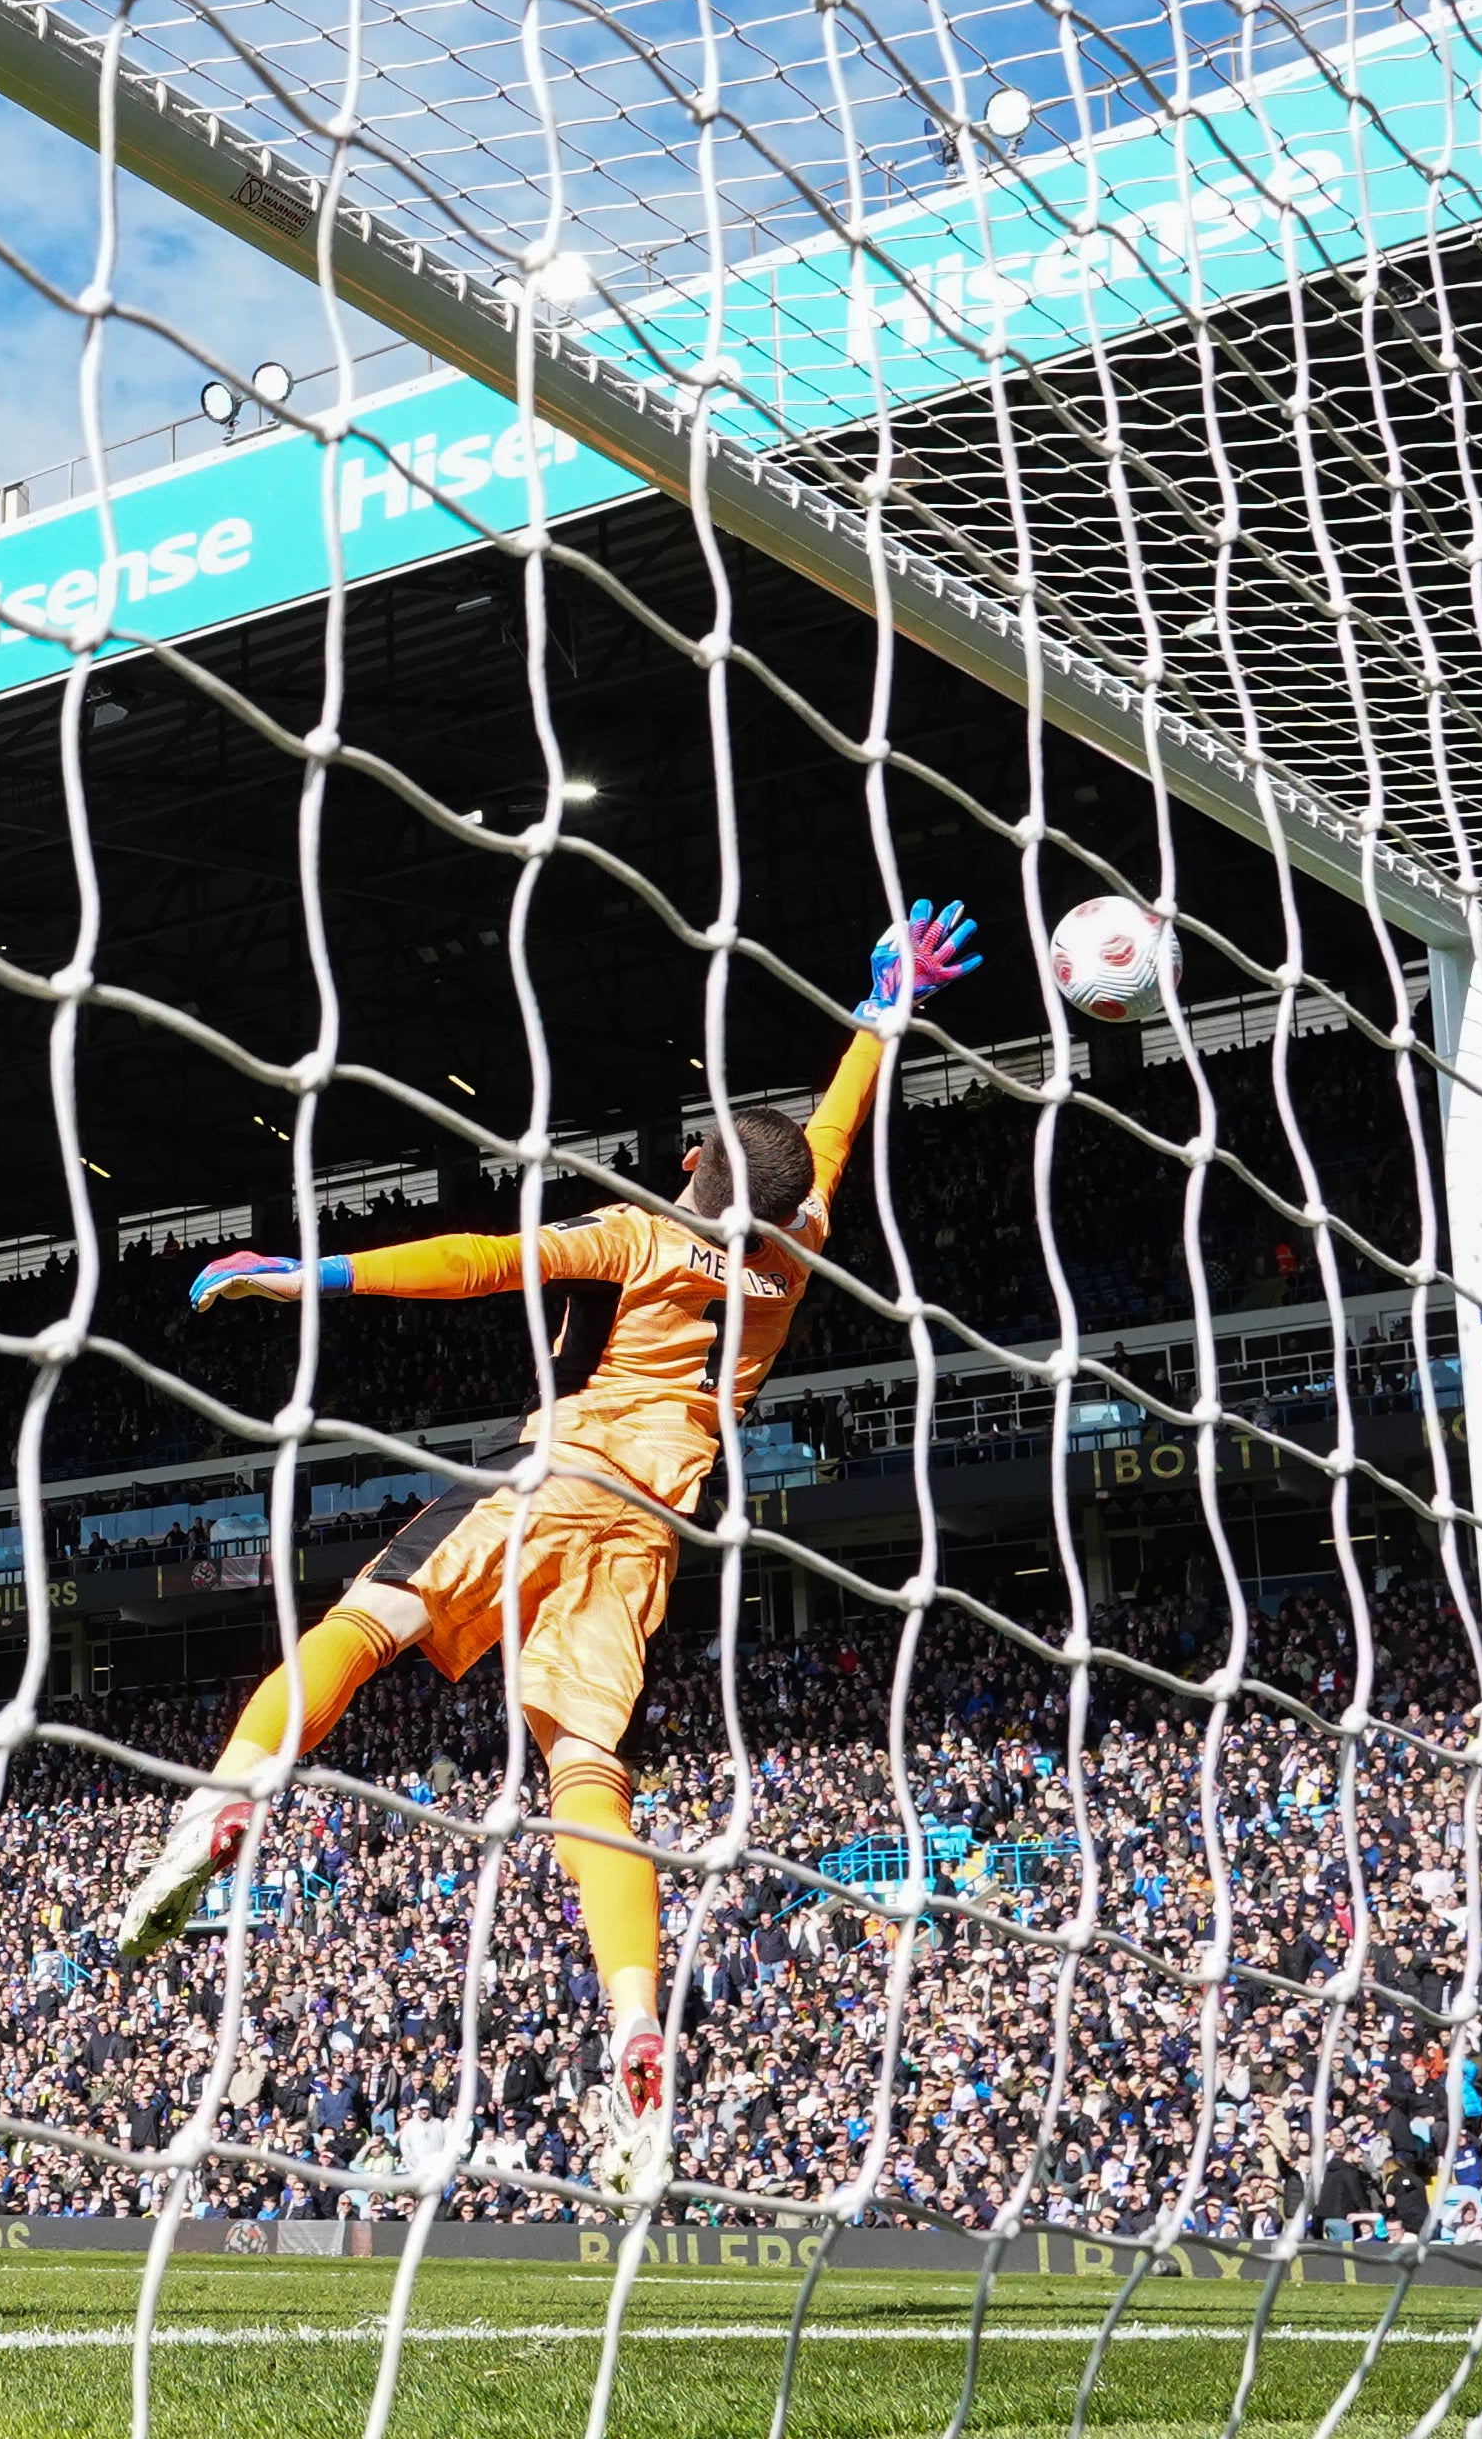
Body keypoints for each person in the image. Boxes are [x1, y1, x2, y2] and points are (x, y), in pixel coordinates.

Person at [111, 900, 978, 2195]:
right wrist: (883, 1017)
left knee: (360, 1628)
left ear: (689, 1158)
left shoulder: (647, 1232)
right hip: (651, 1533)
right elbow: (832, 1140)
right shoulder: (798, 1246)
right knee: (585, 1765)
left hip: (549, 1478)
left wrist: (311, 1276)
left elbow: (481, 1258)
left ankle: (225, 1803)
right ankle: (635, 2017)